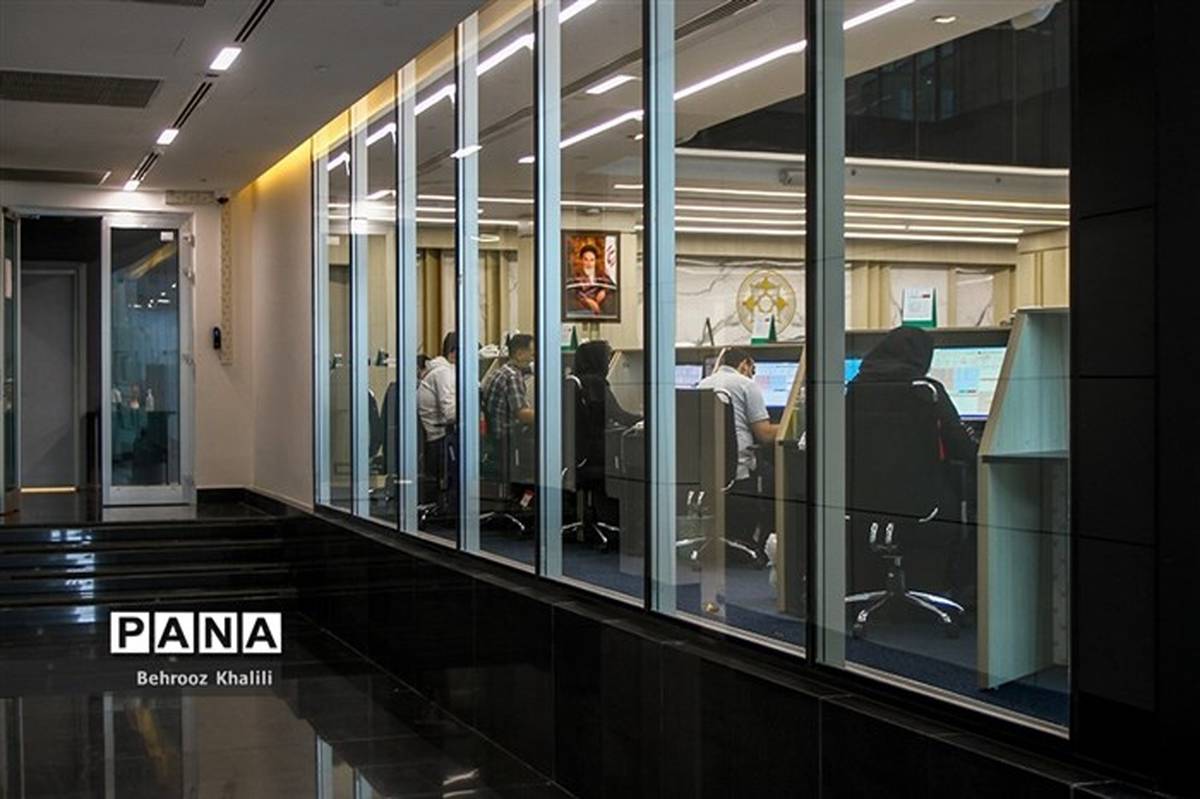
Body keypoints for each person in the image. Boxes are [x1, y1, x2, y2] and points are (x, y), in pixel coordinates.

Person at [846, 325, 978, 598]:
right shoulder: (925, 390)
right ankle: (964, 589)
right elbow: (964, 448)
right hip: (924, 505)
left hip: (864, 503)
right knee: (973, 491)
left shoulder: (855, 389)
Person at [698, 347, 778, 562]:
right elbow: (764, 435)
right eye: (753, 370)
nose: (752, 375)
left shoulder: (703, 384)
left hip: (705, 468)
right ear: (745, 364)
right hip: (736, 469)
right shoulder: (746, 385)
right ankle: (764, 543)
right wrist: (792, 425)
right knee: (779, 477)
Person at [481, 333, 535, 478]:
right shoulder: (513, 376)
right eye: (531, 354)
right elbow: (522, 414)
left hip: (496, 436)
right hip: (508, 437)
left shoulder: (500, 371)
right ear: (519, 354)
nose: (532, 358)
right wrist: (548, 416)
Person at [418, 332, 457, 490]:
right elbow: (449, 413)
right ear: (453, 353)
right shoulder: (443, 373)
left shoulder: (442, 370)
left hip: (437, 437)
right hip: (439, 440)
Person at [571, 244, 615, 316]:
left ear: (595, 261)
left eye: (592, 260)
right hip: (583, 309)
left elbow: (612, 286)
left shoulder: (601, 274)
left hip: (602, 308)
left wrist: (604, 291)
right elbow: (574, 293)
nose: (589, 264)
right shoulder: (576, 275)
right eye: (586, 260)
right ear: (581, 260)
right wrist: (587, 301)